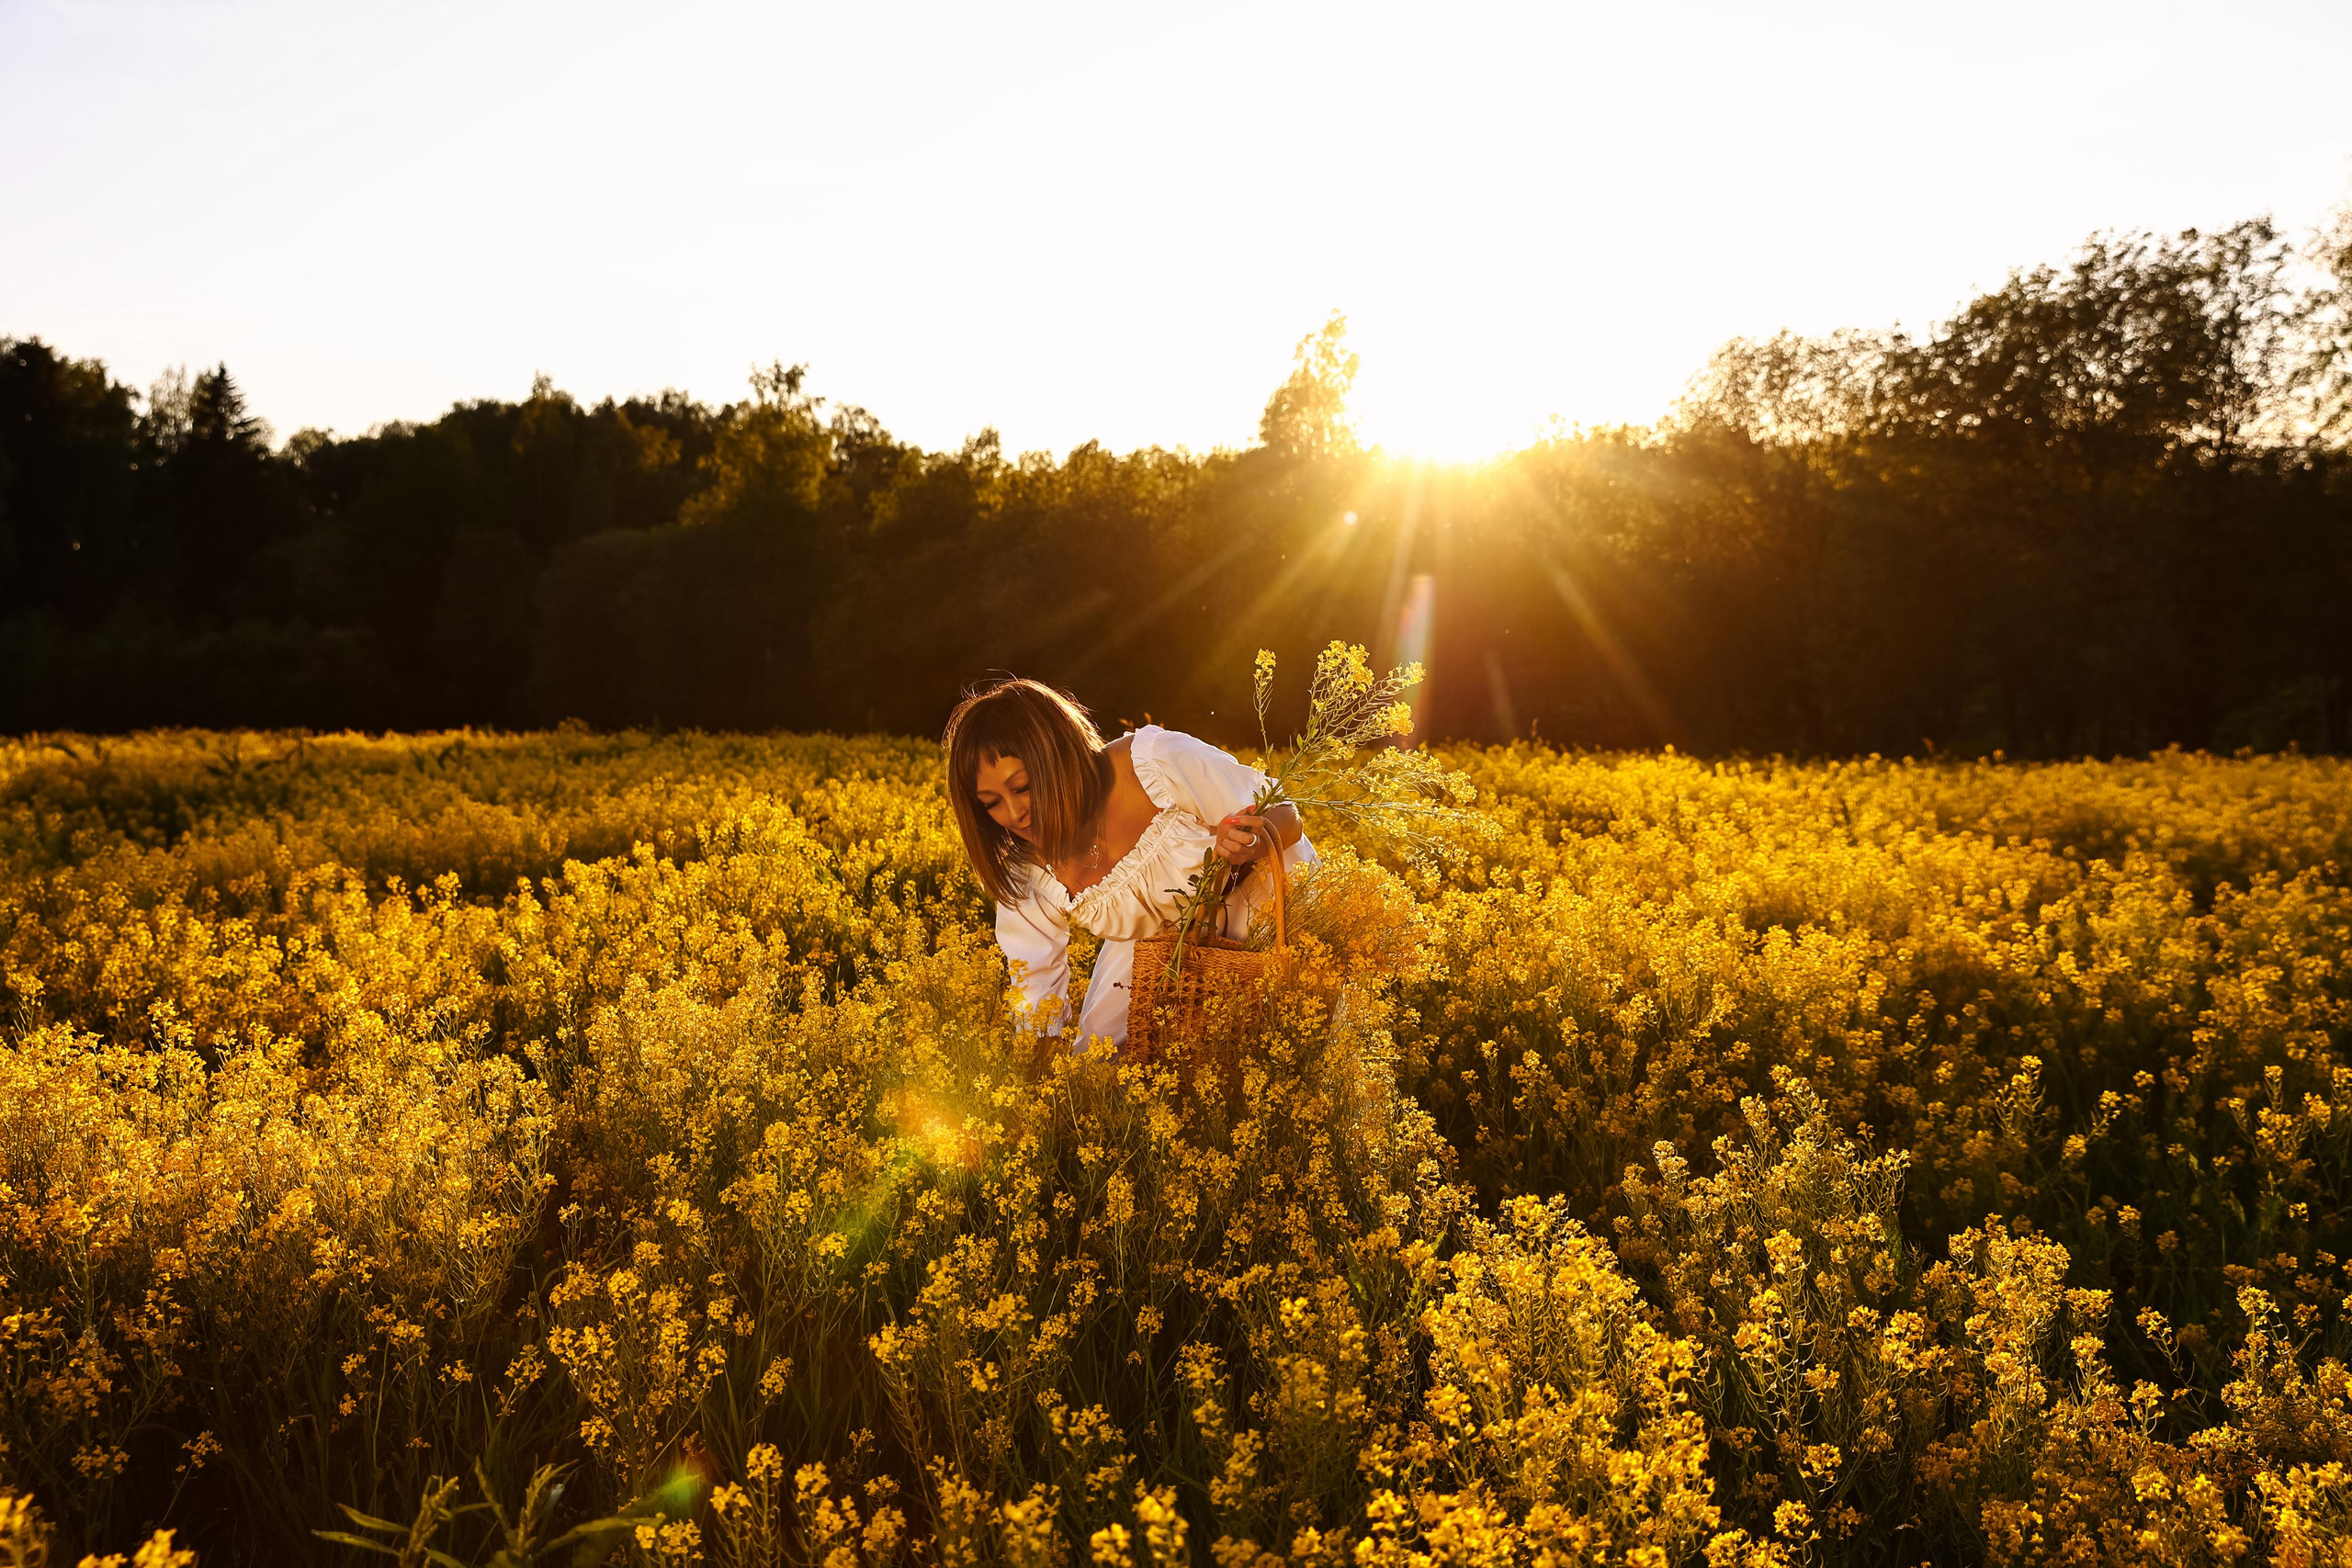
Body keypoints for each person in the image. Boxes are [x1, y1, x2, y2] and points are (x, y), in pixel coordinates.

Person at [944, 676, 1313, 1048]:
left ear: (1057, 756)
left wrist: (1250, 840)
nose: (1016, 813)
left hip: (1269, 903)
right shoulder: (1026, 871)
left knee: (1280, 1035)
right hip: (1164, 950)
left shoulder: (1154, 763)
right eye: (991, 803)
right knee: (1099, 1056)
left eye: (1023, 787)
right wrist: (1040, 1082)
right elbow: (1035, 988)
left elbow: (1289, 816)